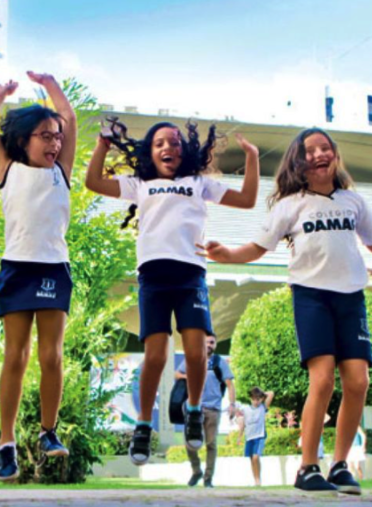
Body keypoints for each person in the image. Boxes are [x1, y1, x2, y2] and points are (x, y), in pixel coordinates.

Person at [199, 127, 372, 495]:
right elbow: (258, 247)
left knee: (358, 381)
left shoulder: (353, 202)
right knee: (323, 380)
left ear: (335, 155)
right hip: (311, 297)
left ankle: (340, 465)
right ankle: (308, 466)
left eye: (325, 148)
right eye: (310, 150)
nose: (318, 154)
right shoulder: (290, 204)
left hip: (350, 298)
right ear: (298, 160)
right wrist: (227, 254)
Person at [86, 118, 259, 465]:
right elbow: (93, 182)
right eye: (160, 142)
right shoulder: (140, 183)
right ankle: (144, 426)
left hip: (190, 275)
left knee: (197, 355)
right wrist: (103, 145)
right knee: (155, 356)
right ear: (150, 151)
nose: (169, 147)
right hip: (153, 276)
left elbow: (247, 199)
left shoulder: (198, 183)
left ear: (186, 151)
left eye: (176, 142)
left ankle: (193, 410)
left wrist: (252, 158)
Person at [0, 71, 77, 482]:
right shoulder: (7, 169)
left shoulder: (62, 171)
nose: (54, 142)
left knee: (51, 356)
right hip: (17, 267)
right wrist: (2, 93)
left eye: (56, 136)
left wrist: (52, 85)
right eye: (44, 135)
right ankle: (5, 444)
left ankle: (48, 432)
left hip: (54, 266)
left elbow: (68, 117)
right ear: (23, 140)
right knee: (15, 356)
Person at [175, 334, 236, 487]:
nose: (209, 345)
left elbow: (230, 384)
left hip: (213, 409)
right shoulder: (193, 359)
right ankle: (196, 471)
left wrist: (232, 404)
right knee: (189, 443)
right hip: (194, 409)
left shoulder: (219, 362)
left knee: (211, 444)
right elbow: (177, 374)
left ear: (215, 345)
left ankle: (208, 478)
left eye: (212, 342)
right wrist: (189, 376)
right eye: (207, 342)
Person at [235, 387, 274, 487]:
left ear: (261, 399)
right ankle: (256, 480)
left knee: (256, 457)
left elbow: (271, 393)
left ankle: (258, 479)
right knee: (252, 459)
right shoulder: (245, 409)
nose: (256, 401)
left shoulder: (263, 407)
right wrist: (239, 437)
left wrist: (261, 394)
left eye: (258, 399)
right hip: (249, 437)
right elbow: (242, 424)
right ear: (250, 399)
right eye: (254, 399)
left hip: (259, 436)